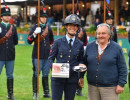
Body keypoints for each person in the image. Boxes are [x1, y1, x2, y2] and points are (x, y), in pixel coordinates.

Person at [79, 23, 127, 100]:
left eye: (103, 33)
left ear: (109, 35)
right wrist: (80, 76)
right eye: (98, 33)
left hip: (110, 88)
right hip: (92, 87)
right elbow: (84, 63)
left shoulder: (117, 48)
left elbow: (123, 68)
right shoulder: (89, 46)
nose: (101, 36)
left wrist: (121, 84)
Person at [47, 14, 86, 100]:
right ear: (66, 27)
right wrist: (55, 69)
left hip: (72, 80)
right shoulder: (58, 42)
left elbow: (81, 60)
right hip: (58, 79)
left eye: (75, 26)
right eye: (70, 25)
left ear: (77, 28)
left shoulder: (80, 44)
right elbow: (50, 59)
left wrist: (81, 73)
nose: (73, 28)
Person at [27, 8, 54, 99]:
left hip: (46, 55)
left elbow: (52, 41)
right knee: (36, 74)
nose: (44, 19)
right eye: (42, 17)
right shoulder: (34, 28)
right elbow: (29, 41)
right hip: (37, 55)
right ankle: (35, 93)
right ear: (39, 18)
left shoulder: (48, 28)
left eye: (45, 17)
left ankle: (46, 92)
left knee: (46, 74)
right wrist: (35, 33)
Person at [0, 6, 18, 100]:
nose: (7, 17)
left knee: (10, 75)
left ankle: (10, 94)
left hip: (10, 55)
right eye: (5, 15)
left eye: (8, 15)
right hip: (0, 55)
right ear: (1, 17)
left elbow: (15, 41)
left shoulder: (13, 28)